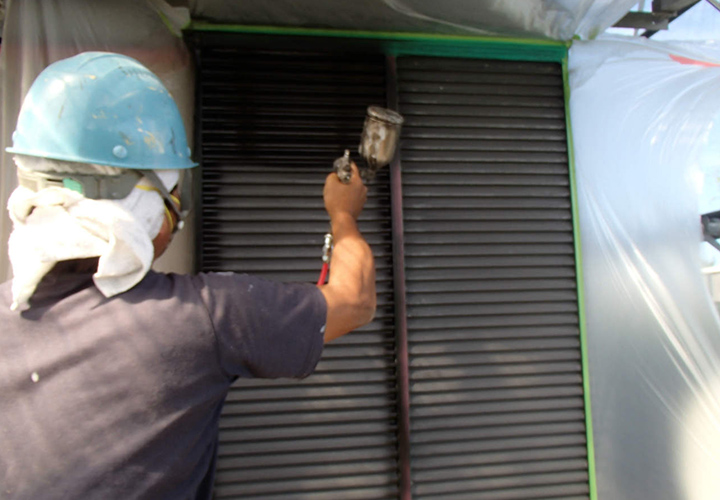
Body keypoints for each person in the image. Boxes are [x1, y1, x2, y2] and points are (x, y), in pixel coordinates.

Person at [0, 52, 376, 499]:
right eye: (173, 191)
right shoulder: (198, 317)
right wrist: (344, 214)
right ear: (143, 201)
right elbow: (353, 300)